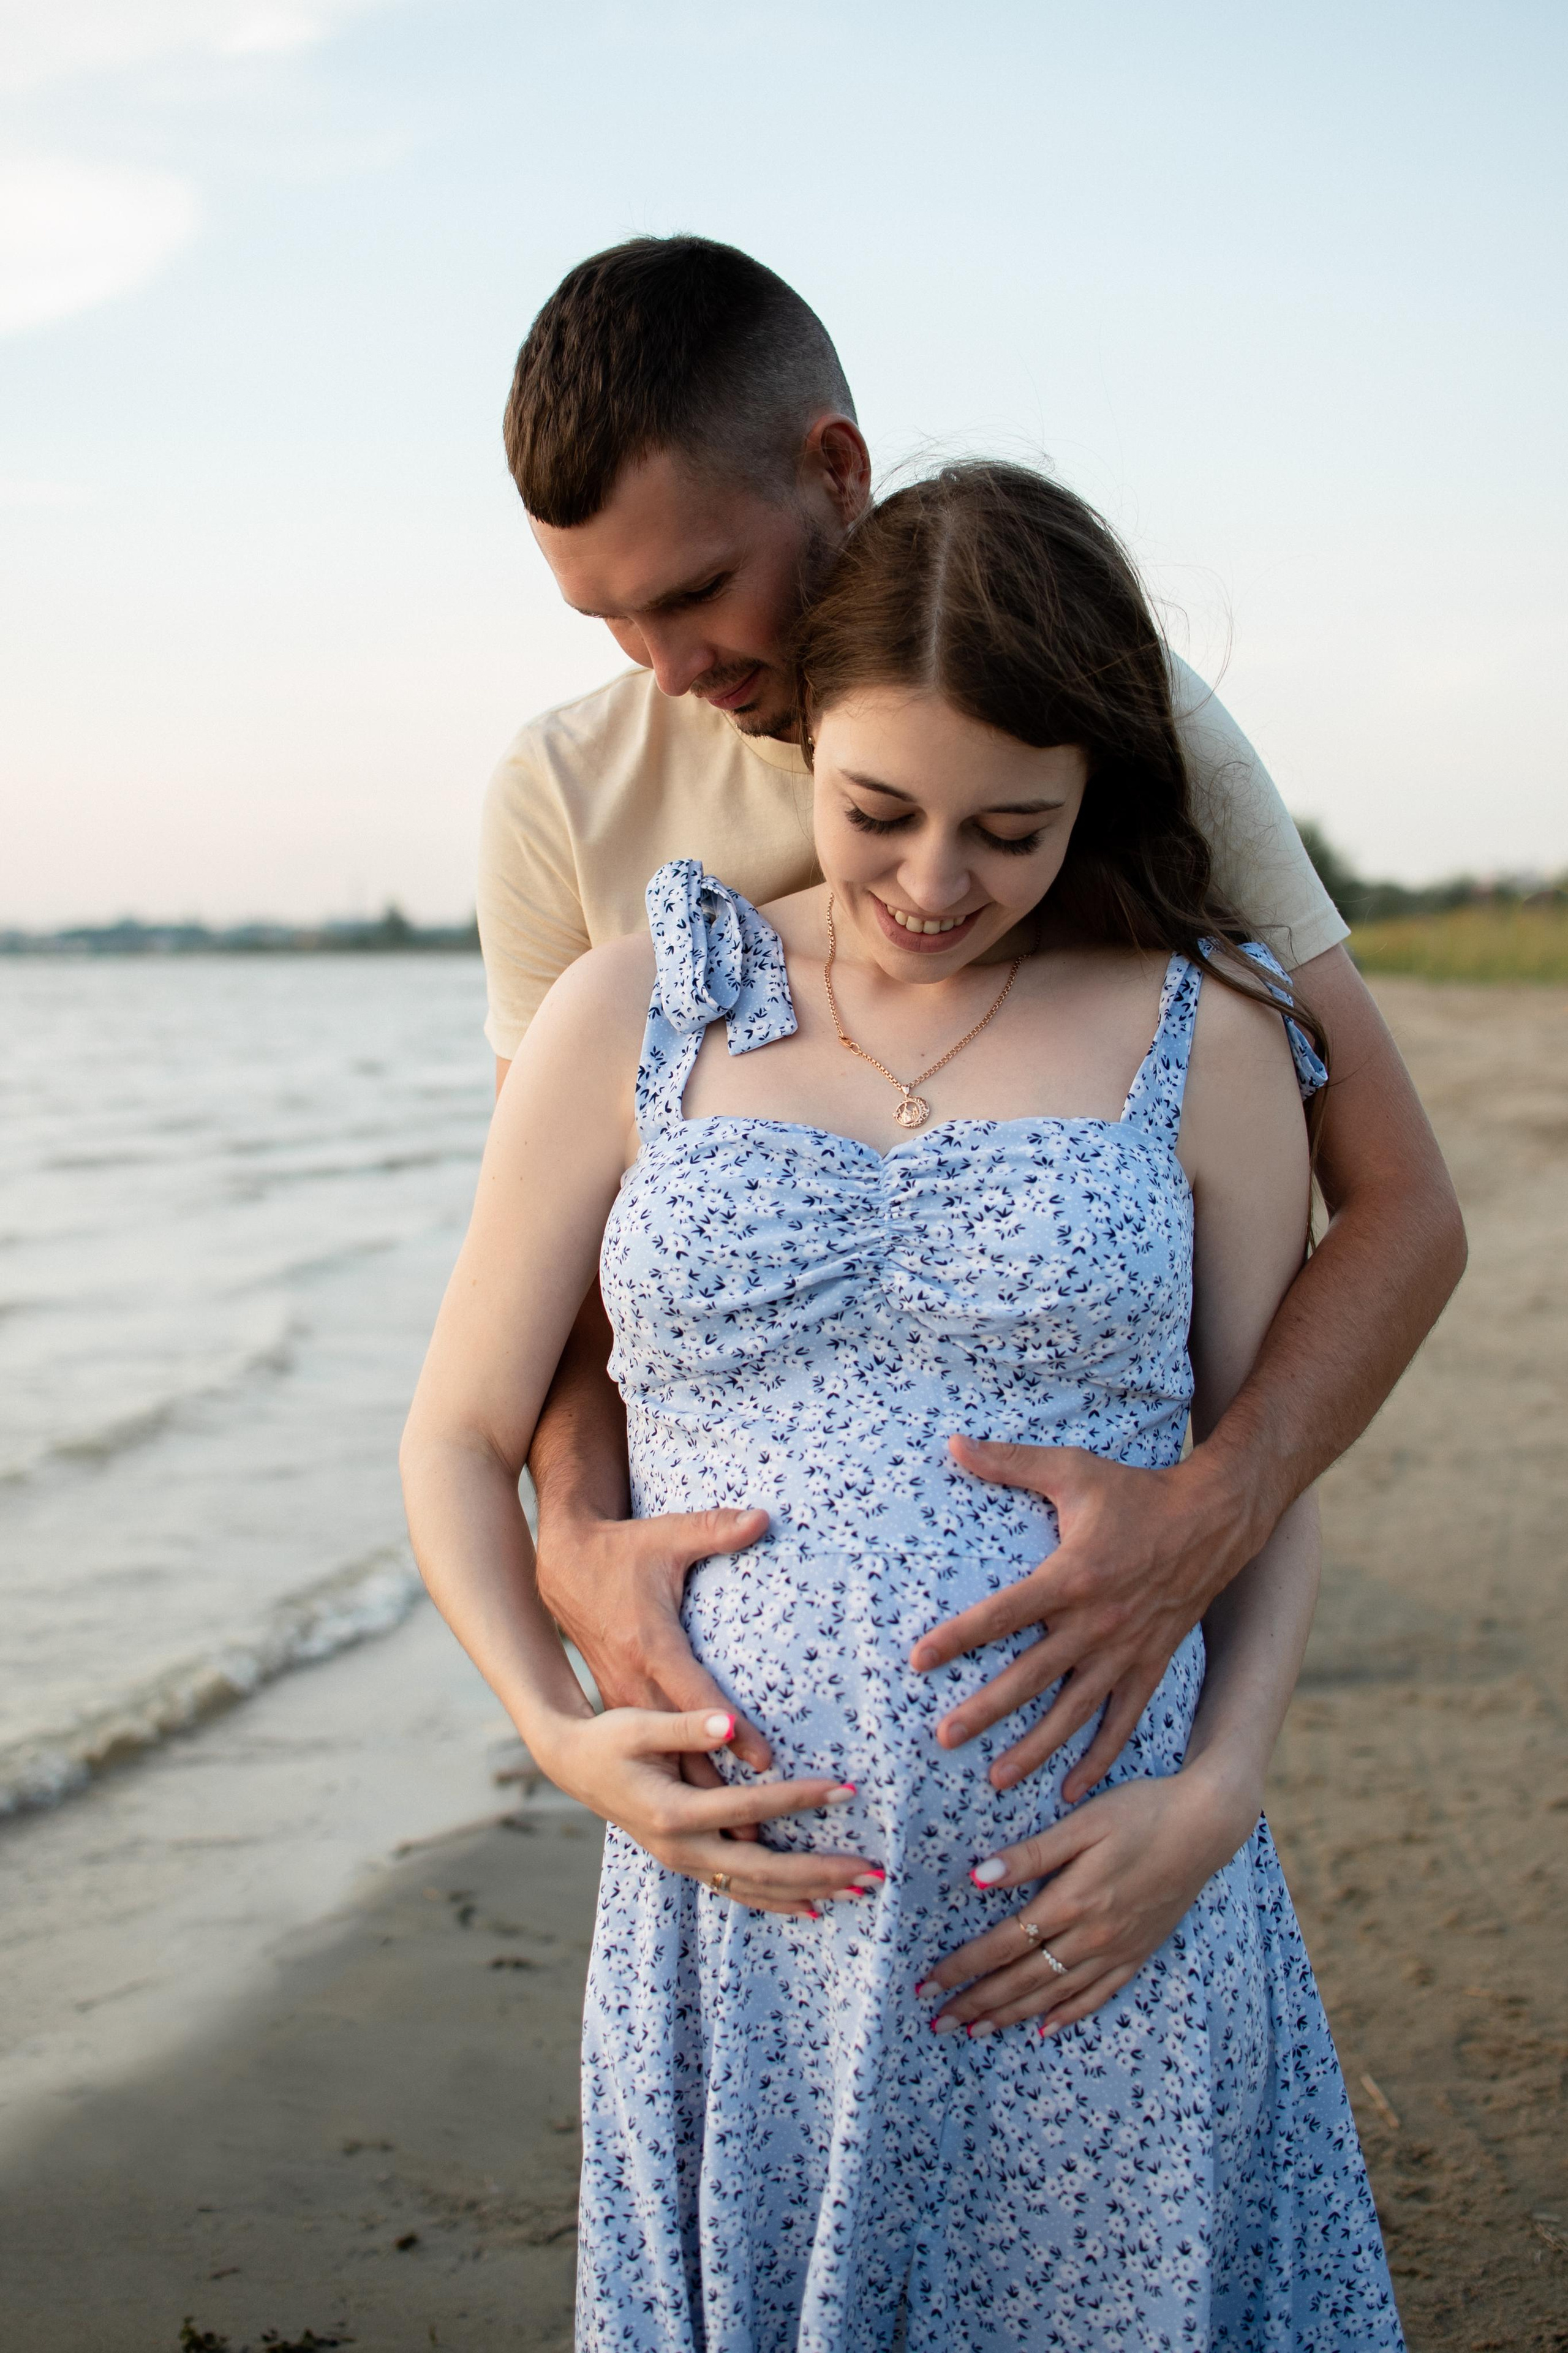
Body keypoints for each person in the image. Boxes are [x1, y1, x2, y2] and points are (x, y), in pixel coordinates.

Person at [403, 461, 1404, 2345]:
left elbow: (1252, 1469)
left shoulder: (1215, 1032)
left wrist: (1223, 1786)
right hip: (752, 1930)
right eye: (879, 815)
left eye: (1011, 832)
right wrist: (552, 1727)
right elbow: (453, 1435)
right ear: (807, 750)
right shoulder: (635, 1008)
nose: (936, 884)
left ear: (1094, 787)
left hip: (1095, 1909)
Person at [479, 236, 1463, 1815]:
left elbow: (1398, 1201)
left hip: (1077, 1769)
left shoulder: (1091, 701)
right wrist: (573, 1529)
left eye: (692, 592)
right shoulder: (561, 799)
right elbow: (567, 1278)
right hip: (750, 1791)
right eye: (607, 619)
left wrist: (1221, 1505)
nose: (665, 671)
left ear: (836, 468)